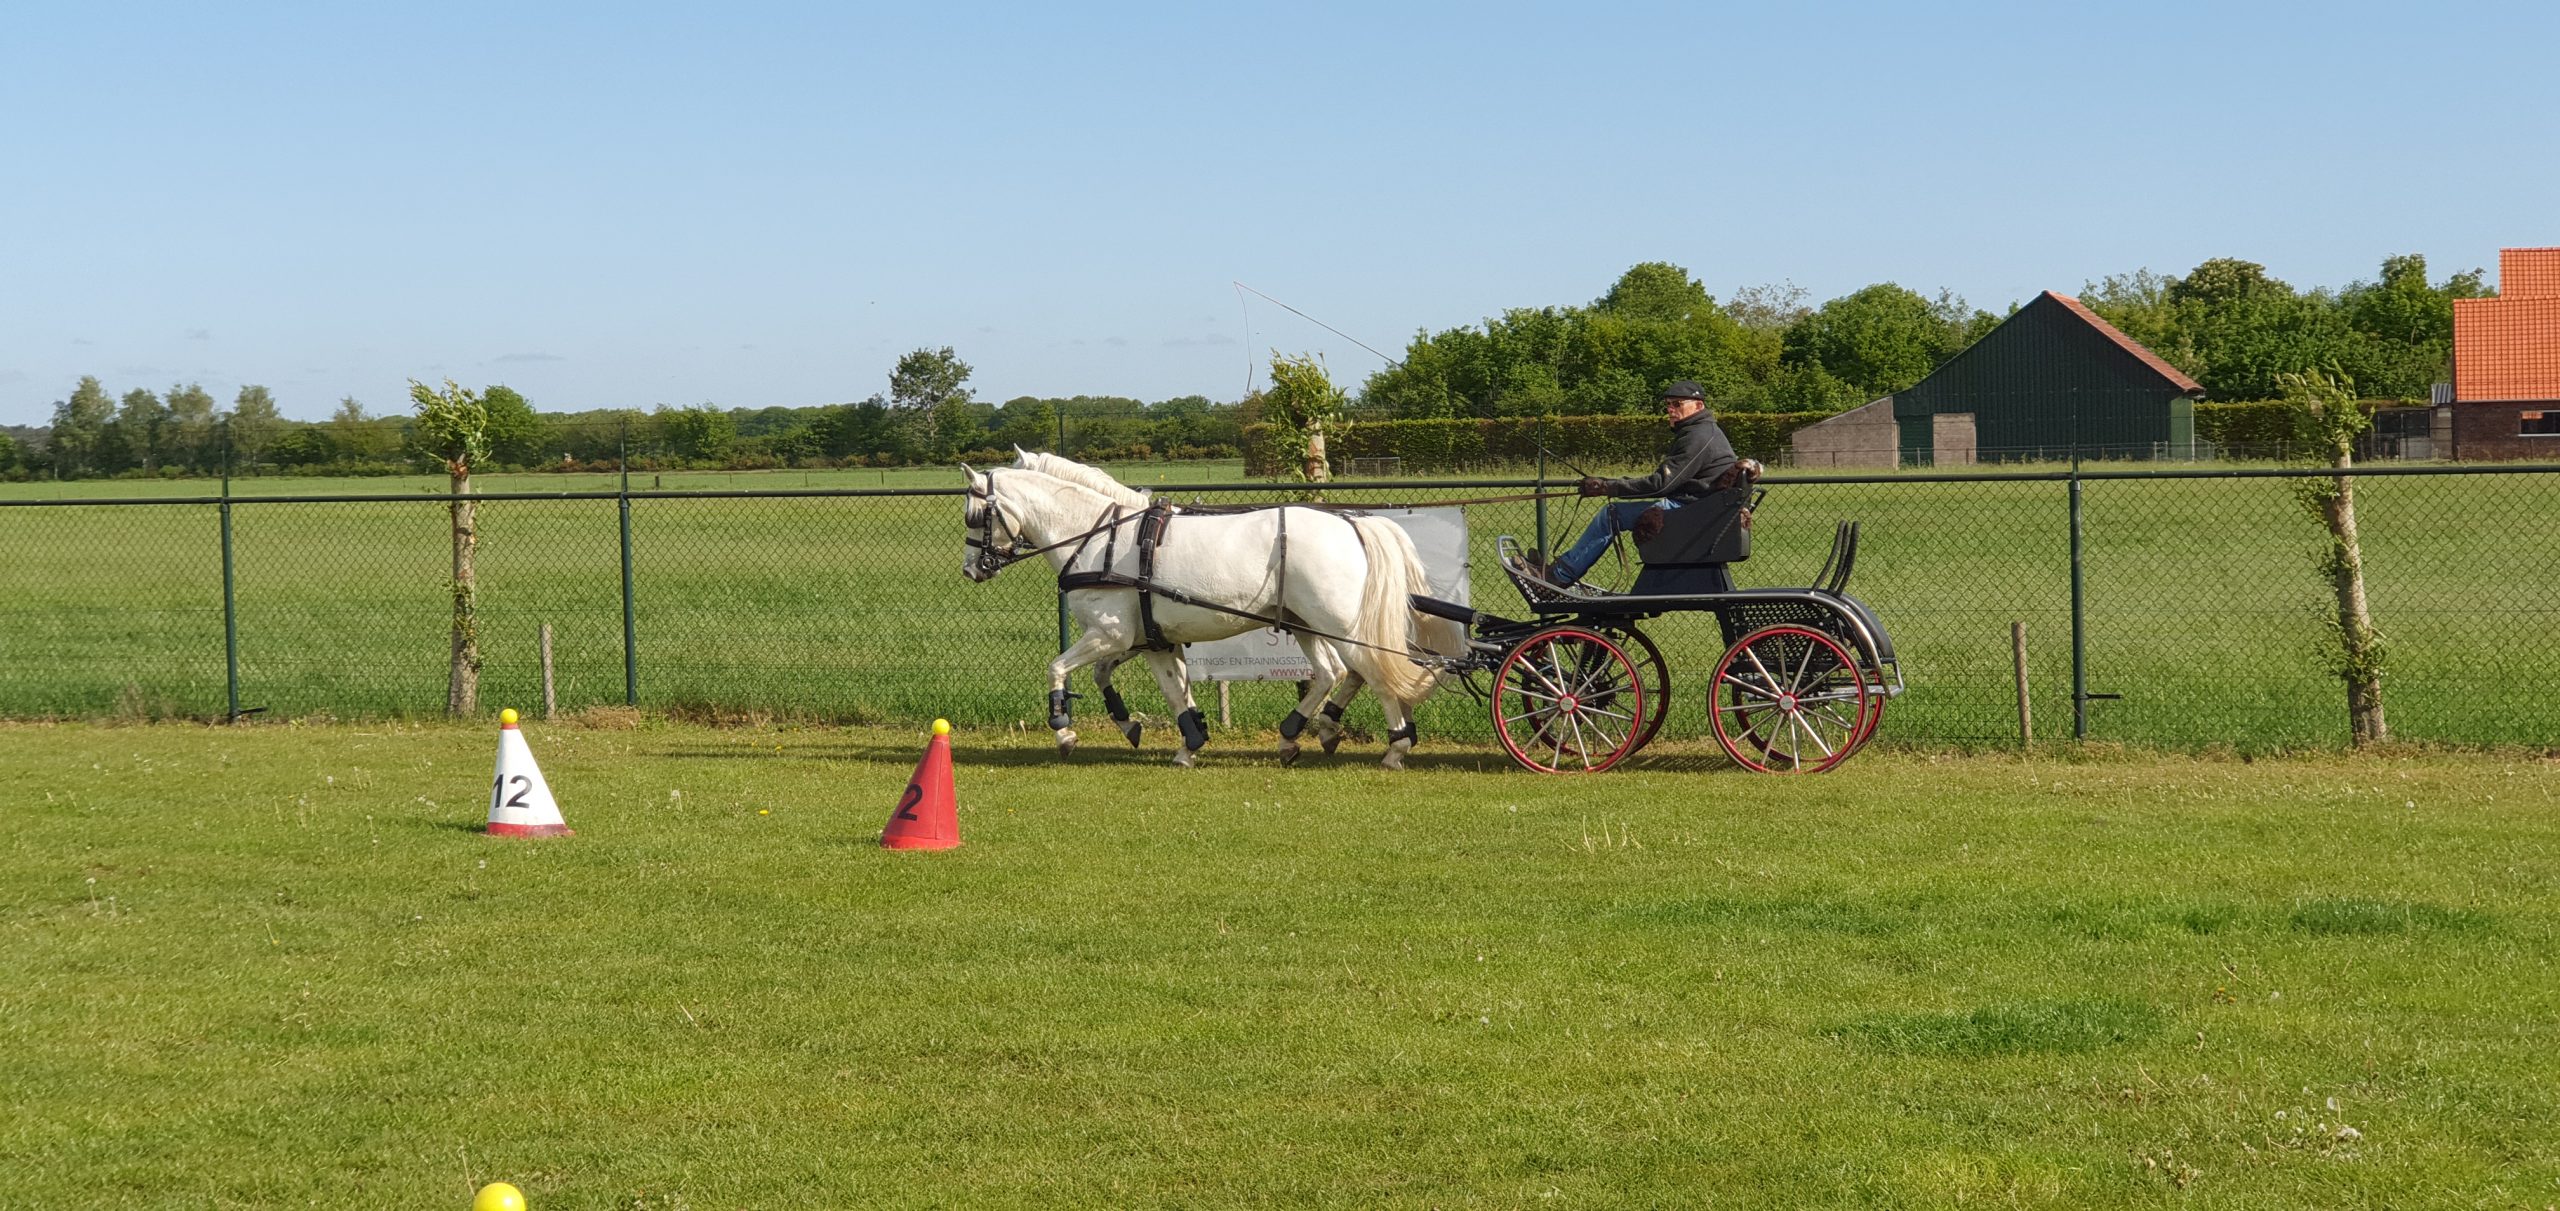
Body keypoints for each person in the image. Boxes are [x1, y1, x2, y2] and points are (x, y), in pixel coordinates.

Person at [1533, 380, 1740, 589]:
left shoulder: (1698, 436)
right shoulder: (1700, 431)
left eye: (1677, 404)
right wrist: (1609, 485)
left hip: (1691, 513)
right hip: (1699, 510)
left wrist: (1607, 487)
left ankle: (1559, 577)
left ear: (1698, 405)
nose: (1670, 409)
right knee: (1613, 513)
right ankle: (1560, 573)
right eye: (1668, 404)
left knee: (1611, 514)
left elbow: (1661, 484)